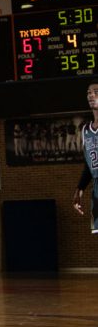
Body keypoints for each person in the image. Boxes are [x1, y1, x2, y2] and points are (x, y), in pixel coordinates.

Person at [73, 79, 98, 235]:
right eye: (89, 92)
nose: (91, 95)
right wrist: (80, 188)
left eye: (96, 92)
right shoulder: (85, 130)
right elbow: (89, 165)